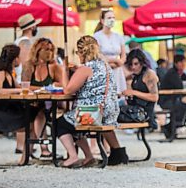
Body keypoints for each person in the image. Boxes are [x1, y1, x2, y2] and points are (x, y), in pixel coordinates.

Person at [57, 35, 127, 167]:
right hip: (110, 110)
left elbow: (67, 90)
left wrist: (63, 70)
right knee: (73, 121)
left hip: (93, 113)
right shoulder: (105, 66)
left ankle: (73, 157)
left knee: (60, 123)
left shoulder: (85, 69)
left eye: (77, 52)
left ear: (81, 52)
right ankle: (89, 157)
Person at [0, 45, 36, 162]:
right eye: (19, 57)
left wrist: (38, 88)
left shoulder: (9, 73)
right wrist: (19, 90)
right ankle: (25, 157)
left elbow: (20, 86)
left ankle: (25, 156)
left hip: (6, 109)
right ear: (15, 59)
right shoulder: (2, 73)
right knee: (31, 122)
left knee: (34, 116)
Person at [22, 37, 67, 158]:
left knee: (41, 113)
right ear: (38, 50)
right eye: (46, 49)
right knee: (36, 113)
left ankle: (41, 148)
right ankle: (39, 149)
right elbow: (24, 85)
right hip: (30, 103)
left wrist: (49, 87)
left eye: (52, 50)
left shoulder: (54, 66)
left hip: (50, 104)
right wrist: (41, 88)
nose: (50, 52)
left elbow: (62, 85)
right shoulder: (29, 65)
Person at [159, 54, 186, 138]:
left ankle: (170, 128)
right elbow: (180, 86)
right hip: (166, 100)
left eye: (184, 63)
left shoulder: (180, 73)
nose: (183, 65)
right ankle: (169, 128)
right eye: (181, 63)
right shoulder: (172, 73)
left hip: (174, 99)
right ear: (176, 63)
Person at [123, 49, 159, 130]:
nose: (133, 67)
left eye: (136, 64)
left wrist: (134, 92)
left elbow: (154, 97)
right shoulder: (135, 75)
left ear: (142, 63)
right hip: (135, 109)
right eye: (131, 64)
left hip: (145, 113)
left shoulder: (149, 74)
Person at [93, 9, 127, 95]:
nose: (111, 20)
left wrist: (120, 62)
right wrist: (115, 61)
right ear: (102, 20)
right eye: (109, 18)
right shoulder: (97, 36)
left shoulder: (118, 36)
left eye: (113, 18)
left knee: (117, 95)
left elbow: (123, 55)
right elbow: (97, 55)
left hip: (117, 70)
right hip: (103, 69)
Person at [14, 13, 41, 83]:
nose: (36, 27)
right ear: (31, 27)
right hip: (22, 81)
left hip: (21, 80)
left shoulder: (20, 40)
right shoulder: (25, 42)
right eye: (35, 25)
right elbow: (25, 64)